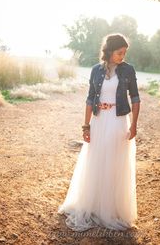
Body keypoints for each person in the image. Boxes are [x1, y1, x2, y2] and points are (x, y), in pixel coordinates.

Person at [57, 33, 141, 232]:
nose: (123, 56)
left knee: (114, 162)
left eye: (124, 53)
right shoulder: (95, 70)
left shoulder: (128, 70)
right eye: (120, 52)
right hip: (99, 120)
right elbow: (88, 100)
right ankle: (93, 205)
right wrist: (86, 126)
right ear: (110, 51)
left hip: (119, 120)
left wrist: (134, 125)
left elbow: (136, 99)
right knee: (95, 161)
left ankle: (111, 210)